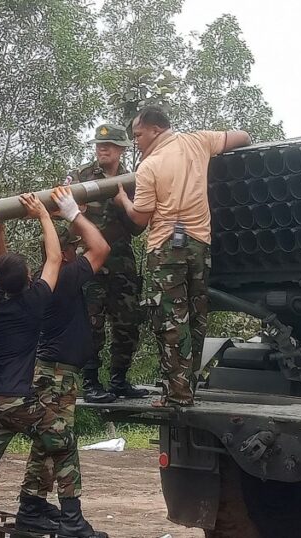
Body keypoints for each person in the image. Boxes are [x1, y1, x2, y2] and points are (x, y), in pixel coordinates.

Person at [0, 188, 105, 538]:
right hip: (20, 401)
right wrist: (45, 215)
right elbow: (53, 259)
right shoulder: (35, 301)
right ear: (28, 279)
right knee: (62, 443)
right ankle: (73, 520)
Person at [112, 106, 251, 407]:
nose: (136, 141)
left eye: (137, 135)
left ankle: (176, 395)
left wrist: (123, 199)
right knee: (196, 317)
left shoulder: (150, 167)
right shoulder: (198, 141)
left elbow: (139, 218)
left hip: (165, 249)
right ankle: (187, 388)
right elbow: (242, 136)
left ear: (155, 130)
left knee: (170, 321)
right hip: (200, 245)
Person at [14, 188, 111, 536]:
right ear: (65, 254)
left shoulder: (43, 282)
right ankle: (72, 519)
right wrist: (72, 214)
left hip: (50, 372)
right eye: (72, 247)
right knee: (63, 444)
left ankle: (32, 508)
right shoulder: (66, 278)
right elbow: (101, 248)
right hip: (55, 375)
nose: (79, 250)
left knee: (46, 442)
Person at [69, 123, 148, 403]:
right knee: (91, 323)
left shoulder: (134, 180)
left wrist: (120, 202)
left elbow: (138, 227)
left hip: (121, 262)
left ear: (121, 149)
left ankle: (119, 380)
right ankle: (90, 383)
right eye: (99, 145)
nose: (102, 149)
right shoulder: (81, 176)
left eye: (110, 145)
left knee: (128, 322)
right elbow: (66, 217)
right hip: (89, 261)